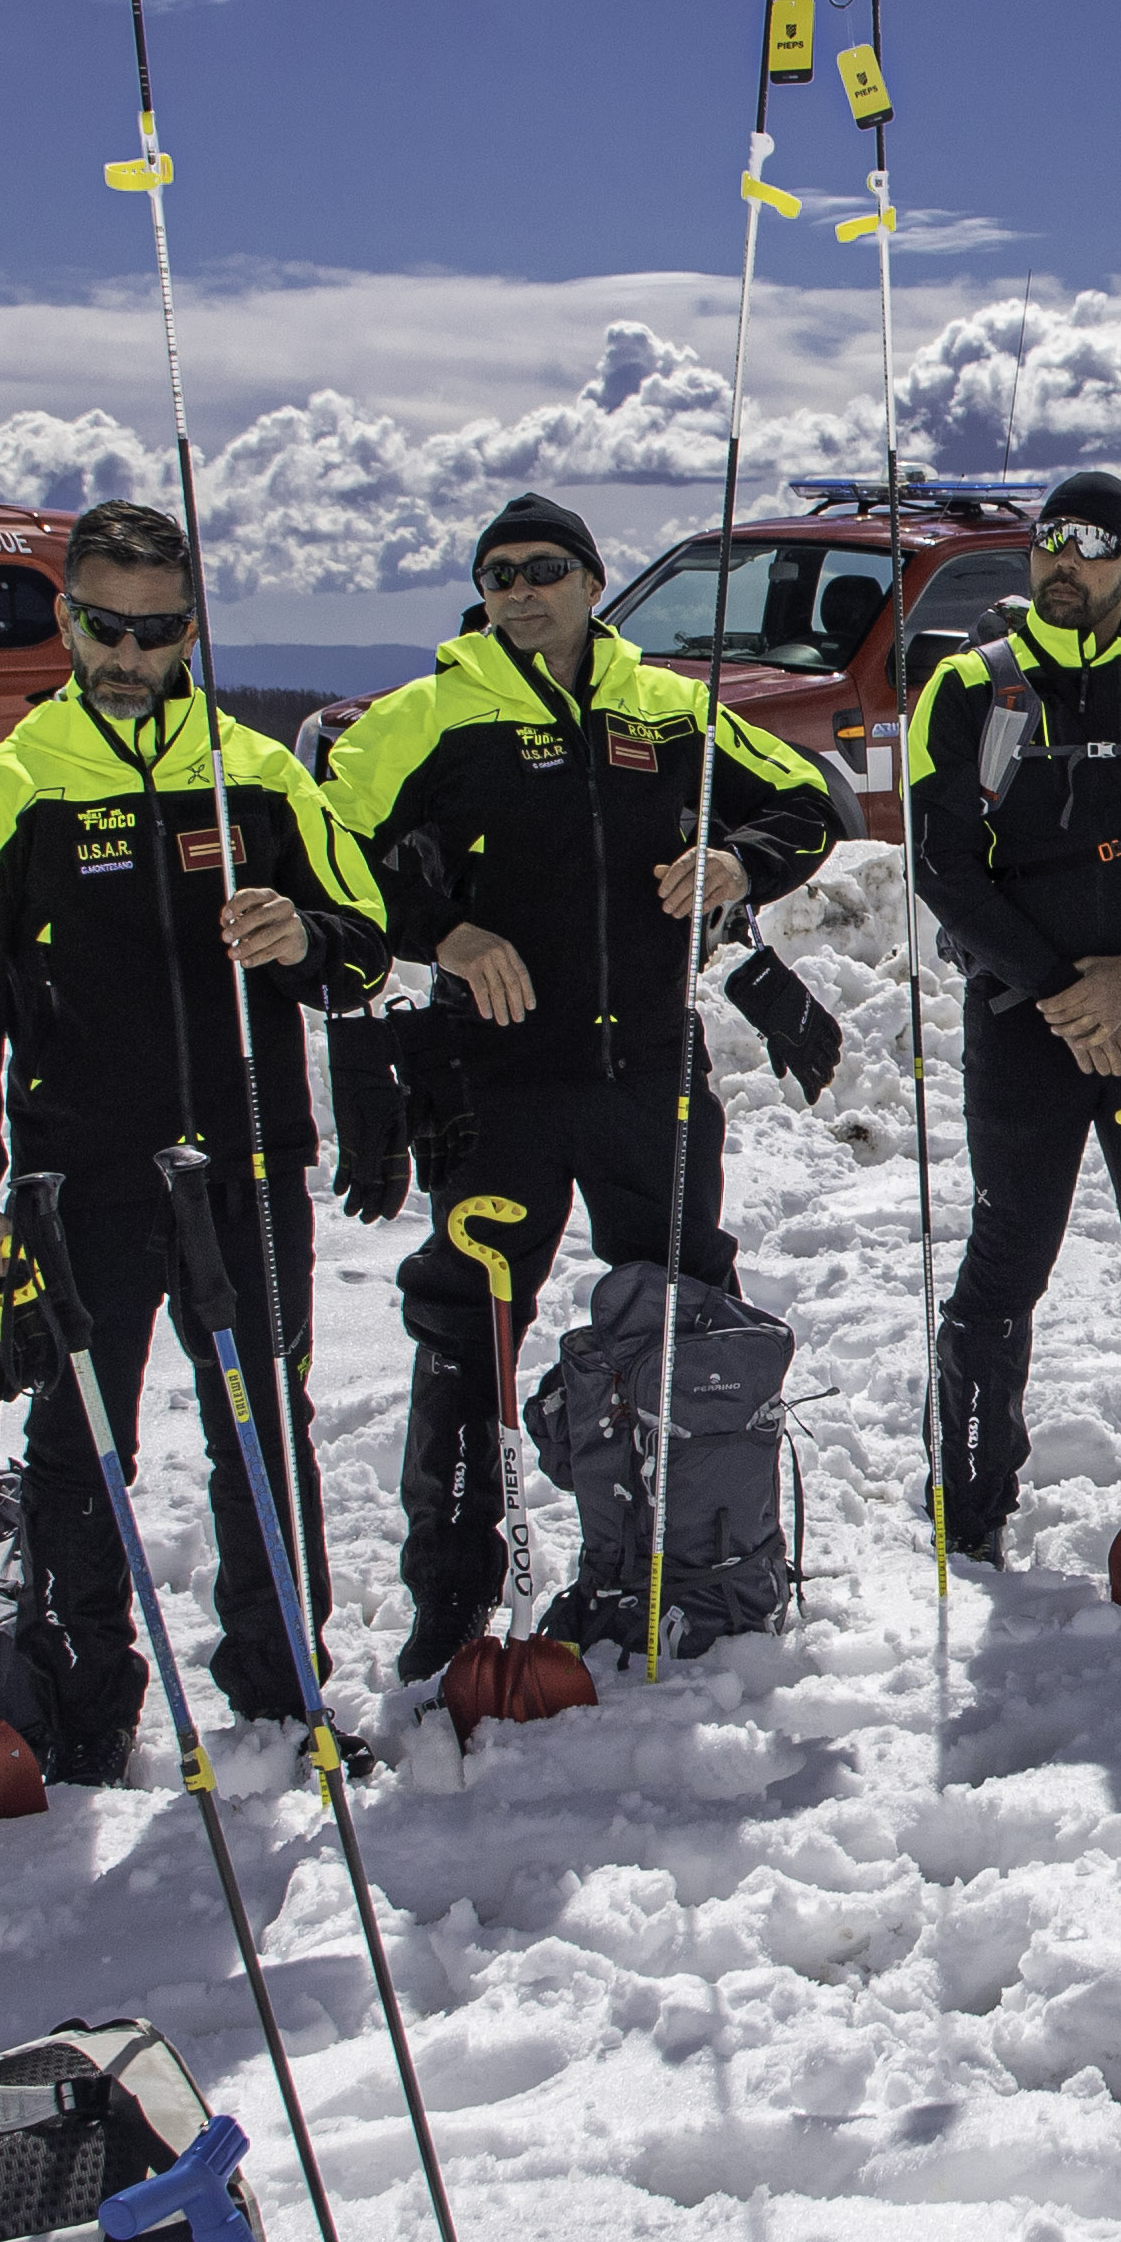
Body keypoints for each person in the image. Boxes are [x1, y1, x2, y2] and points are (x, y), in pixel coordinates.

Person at [0, 504, 390, 1763]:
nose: (128, 652)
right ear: (66, 618)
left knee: (265, 1426)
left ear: (192, 628)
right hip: (80, 1177)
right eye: (105, 625)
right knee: (79, 1440)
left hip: (244, 1164)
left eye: (157, 629)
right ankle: (81, 1713)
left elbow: (364, 954)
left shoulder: (262, 775)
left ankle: (283, 1691)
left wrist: (304, 942)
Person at [317, 492, 837, 1670]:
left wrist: (732, 862)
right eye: (498, 574)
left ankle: (694, 1561)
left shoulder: (668, 707)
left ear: (593, 581)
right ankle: (451, 1599)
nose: (521, 589)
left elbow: (809, 803)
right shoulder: (429, 715)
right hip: (494, 1081)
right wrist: (441, 932)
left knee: (683, 1312)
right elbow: (321, 850)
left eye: (545, 568)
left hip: (646, 1069)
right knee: (466, 1327)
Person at [898, 473, 1121, 1554]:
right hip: (1024, 1020)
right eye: (1048, 540)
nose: (1063, 560)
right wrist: (1071, 994)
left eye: (1092, 545)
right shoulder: (969, 689)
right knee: (1009, 1251)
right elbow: (944, 866)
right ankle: (968, 1504)